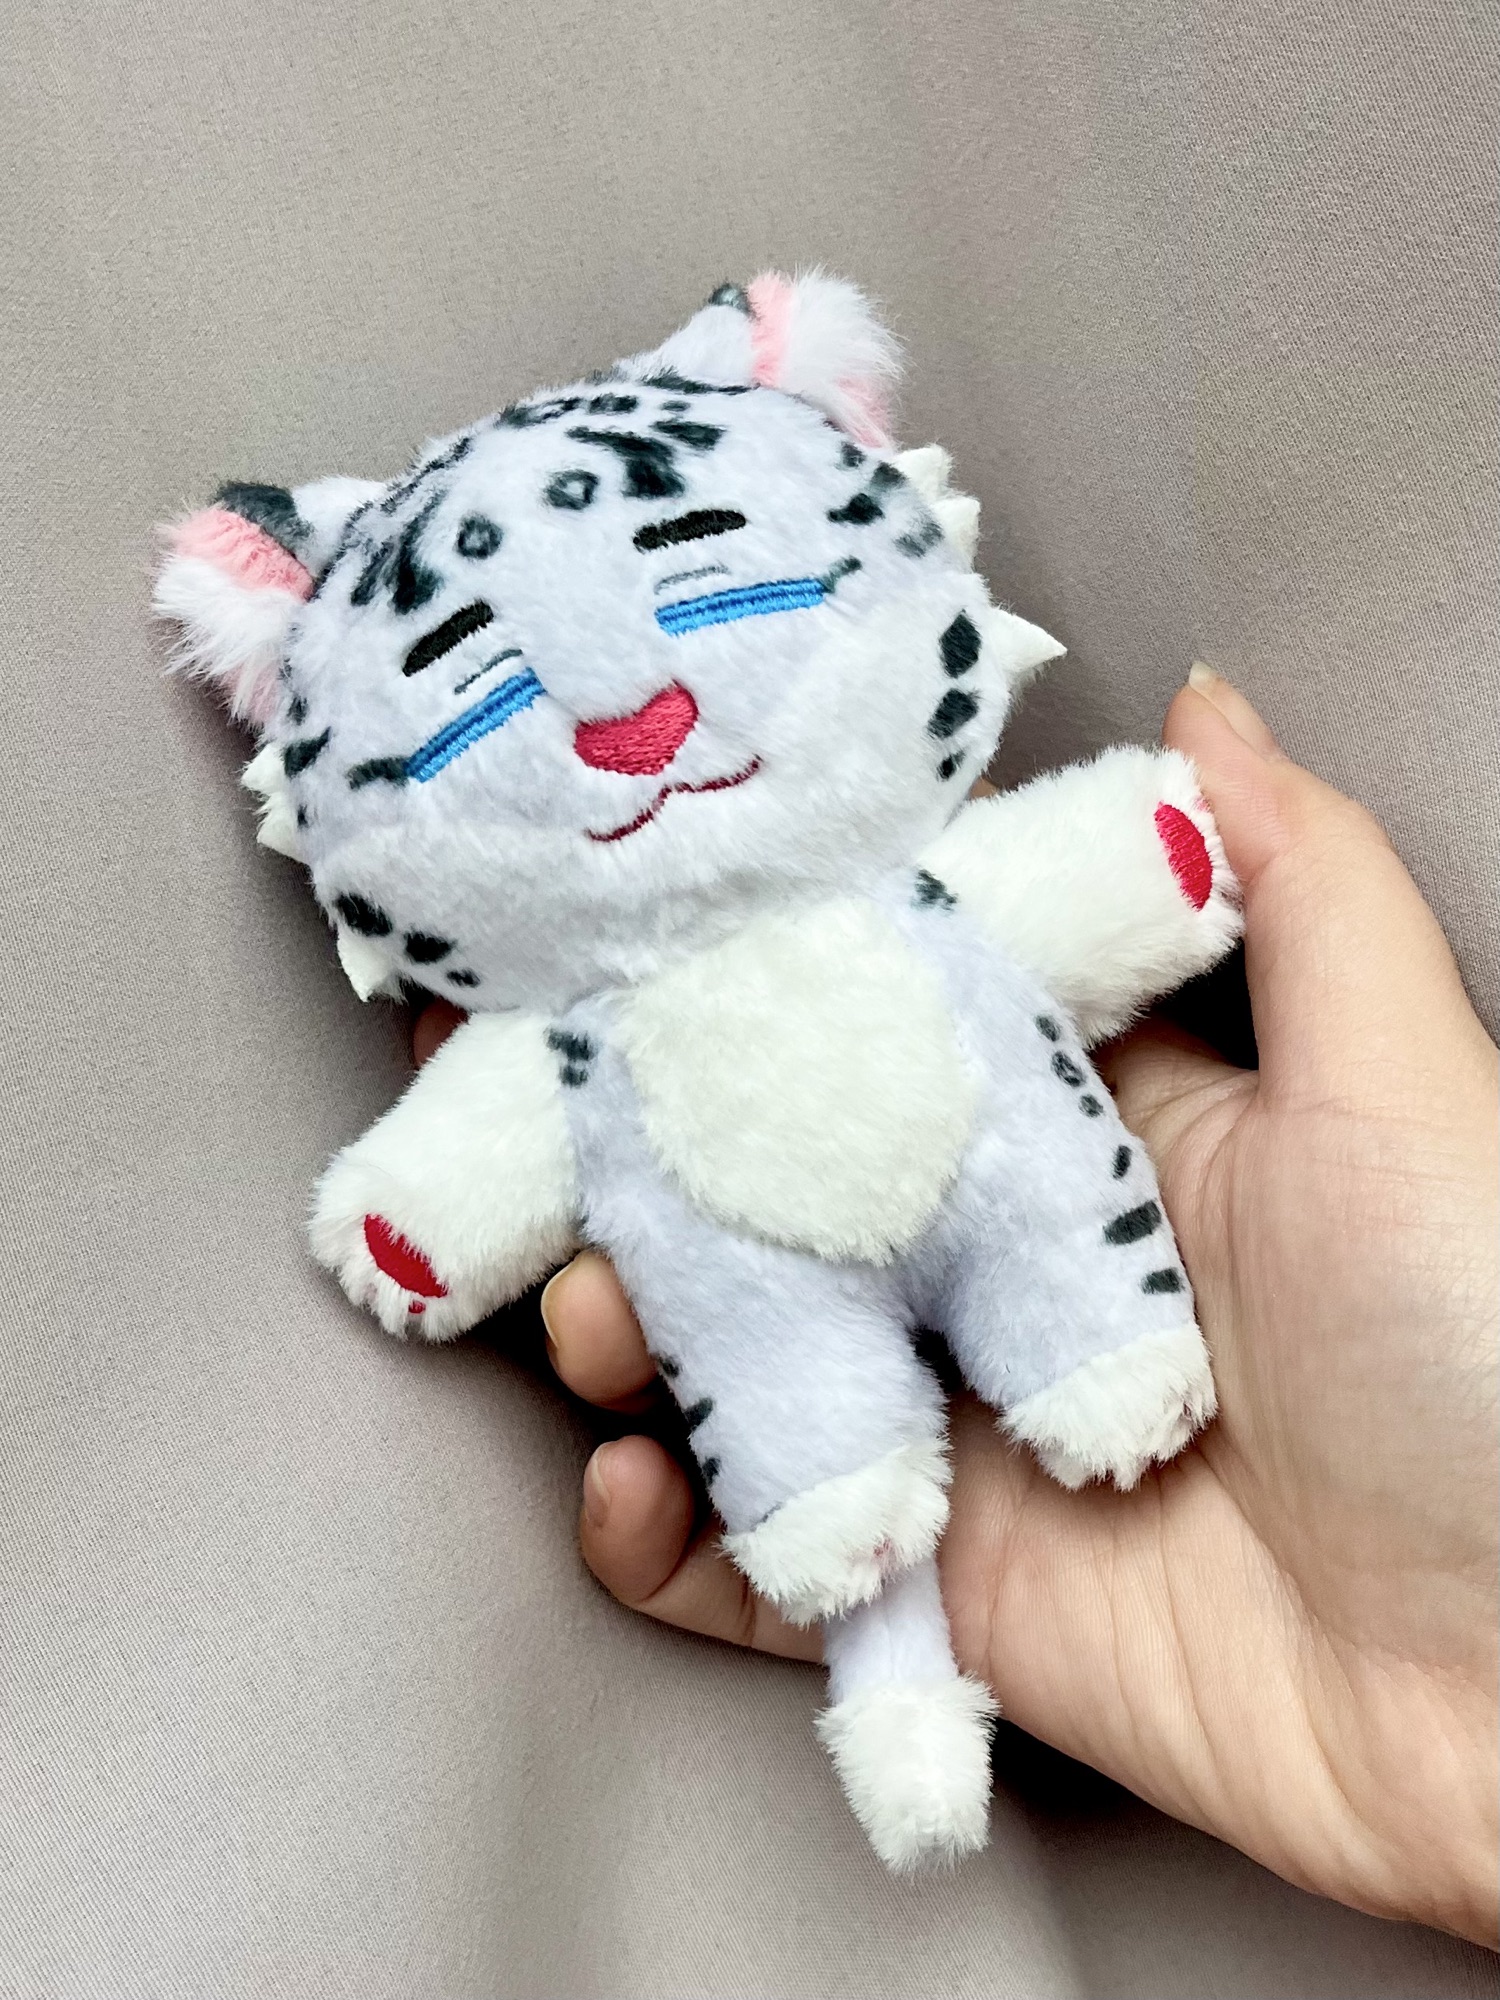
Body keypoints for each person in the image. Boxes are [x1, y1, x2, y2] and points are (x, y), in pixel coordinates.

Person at [415, 666, 1498, 1947]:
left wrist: (1151, 856)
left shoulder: (908, 887)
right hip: (768, 1284)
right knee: (826, 1491)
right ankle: (897, 1690)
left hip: (1004, 1200)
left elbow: (1080, 876)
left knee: (1055, 1290)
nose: (631, 732)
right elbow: (456, 1175)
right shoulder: (585, 1029)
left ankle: (1099, 1365)